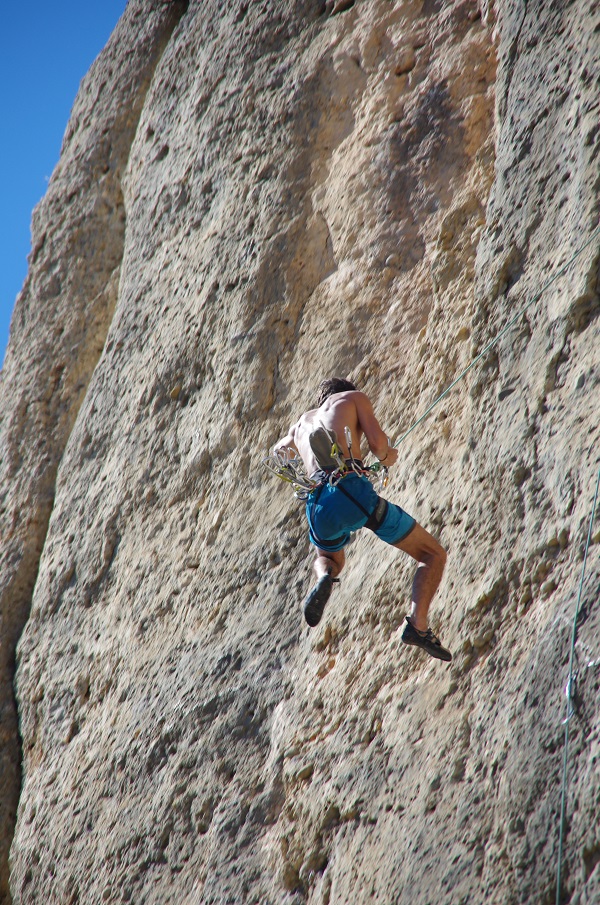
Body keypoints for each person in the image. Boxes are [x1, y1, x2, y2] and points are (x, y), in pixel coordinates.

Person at [273, 377, 452, 661]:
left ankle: (324, 578)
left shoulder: (300, 424)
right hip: (351, 491)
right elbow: (378, 445)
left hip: (317, 504)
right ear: (344, 391)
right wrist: (386, 456)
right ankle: (418, 625)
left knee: (330, 559)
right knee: (433, 554)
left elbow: (279, 452)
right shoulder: (353, 398)